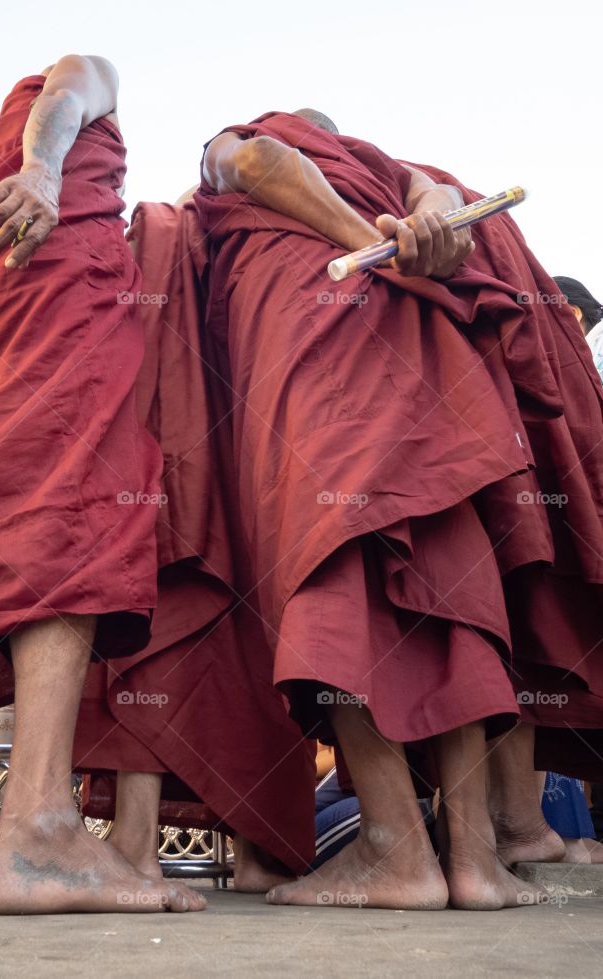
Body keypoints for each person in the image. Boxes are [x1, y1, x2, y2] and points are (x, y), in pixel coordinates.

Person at [194, 107, 603, 910]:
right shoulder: (389, 170)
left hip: (318, 338)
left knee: (333, 552)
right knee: (449, 567)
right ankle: (476, 861)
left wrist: (370, 245)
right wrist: (423, 239)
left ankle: (395, 850)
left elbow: (255, 163)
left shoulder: (247, 141)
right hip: (419, 347)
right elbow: (442, 198)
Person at [0, 56, 204, 914]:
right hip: (52, 281)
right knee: (71, 505)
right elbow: (67, 98)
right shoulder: (73, 82)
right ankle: (39, 830)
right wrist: (43, 170)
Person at [73, 197, 317, 894]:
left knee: (205, 641)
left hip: (223, 461)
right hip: (242, 463)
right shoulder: (193, 231)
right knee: (220, 643)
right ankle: (235, 849)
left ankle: (146, 844)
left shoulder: (180, 229)